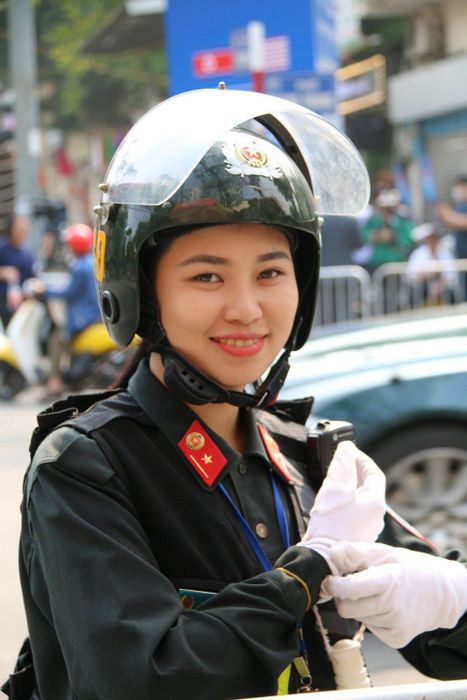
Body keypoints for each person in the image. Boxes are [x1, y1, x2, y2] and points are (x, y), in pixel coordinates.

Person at [8, 89, 467, 700]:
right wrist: (301, 579)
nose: (247, 308)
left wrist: (452, 597)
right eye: (207, 276)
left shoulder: (312, 462)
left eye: (270, 273)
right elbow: (140, 679)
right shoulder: (88, 468)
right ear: (140, 289)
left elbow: (440, 646)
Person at [34, 223, 102, 395]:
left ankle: (54, 381)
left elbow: (68, 292)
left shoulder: (79, 266)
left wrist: (45, 291)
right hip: (93, 314)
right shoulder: (90, 262)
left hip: (83, 317)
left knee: (56, 339)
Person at [358, 188, 414, 272]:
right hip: (378, 263)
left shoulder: (401, 221)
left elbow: (408, 240)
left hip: (396, 262)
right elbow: (364, 235)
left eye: (388, 208)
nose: (386, 211)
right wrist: (376, 235)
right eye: (383, 208)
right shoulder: (374, 221)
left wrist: (394, 237)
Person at [406, 222, 459, 305]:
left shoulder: (445, 253)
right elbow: (411, 276)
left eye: (434, 238)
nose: (432, 241)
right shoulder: (418, 254)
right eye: (430, 238)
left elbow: (452, 276)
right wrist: (426, 275)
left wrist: (440, 286)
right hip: (422, 288)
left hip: (443, 289)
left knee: (449, 293)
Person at [0, 214, 35, 328]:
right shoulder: (2, 248)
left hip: (20, 302)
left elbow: (31, 276)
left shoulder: (26, 254)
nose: (22, 233)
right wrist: (3, 272)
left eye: (24, 230)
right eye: (19, 230)